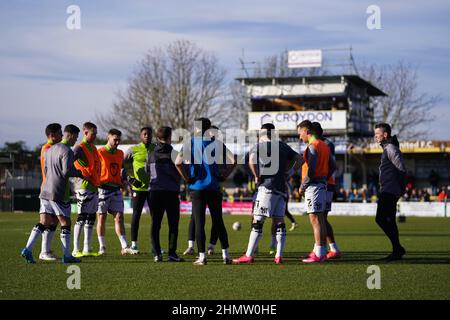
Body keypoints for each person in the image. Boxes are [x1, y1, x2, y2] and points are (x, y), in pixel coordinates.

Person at [233, 123, 302, 265]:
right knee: (279, 222)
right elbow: (300, 159)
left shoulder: (259, 146)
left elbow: (251, 160)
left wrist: (256, 175)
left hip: (267, 188)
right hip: (282, 190)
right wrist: (289, 173)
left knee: (258, 222)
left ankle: (248, 255)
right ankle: (278, 255)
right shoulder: (283, 146)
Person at [175, 118, 235, 265]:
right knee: (218, 221)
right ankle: (225, 256)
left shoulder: (190, 143)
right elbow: (234, 160)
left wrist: (187, 178)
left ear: (197, 129)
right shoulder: (217, 143)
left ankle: (202, 257)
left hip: (197, 188)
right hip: (214, 188)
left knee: (199, 222)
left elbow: (177, 162)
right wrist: (224, 176)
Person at [21, 124, 85, 263]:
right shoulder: (67, 150)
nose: (76, 141)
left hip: (44, 191)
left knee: (43, 222)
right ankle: (67, 255)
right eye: (76, 137)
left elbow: (45, 169)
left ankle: (28, 249)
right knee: (65, 222)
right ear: (72, 135)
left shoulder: (48, 150)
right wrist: (80, 173)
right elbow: (66, 171)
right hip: (57, 192)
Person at [297, 120, 335, 263]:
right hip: (321, 185)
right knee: (320, 219)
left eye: (300, 133)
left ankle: (319, 253)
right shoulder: (324, 145)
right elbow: (333, 166)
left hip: (314, 186)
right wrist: (324, 177)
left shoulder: (312, 147)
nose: (300, 137)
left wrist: (303, 185)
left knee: (315, 219)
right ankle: (320, 251)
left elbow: (311, 170)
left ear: (307, 132)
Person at [146, 127, 183, 262]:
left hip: (155, 192)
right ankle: (172, 253)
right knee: (173, 224)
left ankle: (157, 253)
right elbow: (181, 170)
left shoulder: (151, 154)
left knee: (155, 223)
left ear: (157, 138)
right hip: (171, 192)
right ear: (169, 137)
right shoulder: (174, 153)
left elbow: (147, 171)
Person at [96, 129, 134, 256]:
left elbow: (121, 170)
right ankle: (102, 246)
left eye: (119, 140)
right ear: (108, 137)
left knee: (119, 217)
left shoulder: (120, 153)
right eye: (115, 139)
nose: (117, 142)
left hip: (116, 189)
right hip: (102, 189)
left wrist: (124, 181)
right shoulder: (100, 152)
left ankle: (124, 246)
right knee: (101, 218)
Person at [374, 123, 407, 261]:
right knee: (389, 221)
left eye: (377, 134)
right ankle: (397, 250)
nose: (375, 137)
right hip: (388, 189)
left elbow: (401, 169)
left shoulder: (391, 149)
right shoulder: (387, 148)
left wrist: (400, 190)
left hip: (390, 190)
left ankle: (398, 248)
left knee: (381, 219)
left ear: (385, 134)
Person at [311, 122, 341, 259]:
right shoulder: (324, 144)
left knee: (320, 218)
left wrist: (323, 179)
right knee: (321, 218)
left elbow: (332, 166)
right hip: (327, 184)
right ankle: (325, 248)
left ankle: (324, 250)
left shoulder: (324, 145)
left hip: (326, 184)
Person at [124, 127, 156, 254]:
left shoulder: (156, 148)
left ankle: (155, 246)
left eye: (149, 134)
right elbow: (124, 166)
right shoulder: (133, 149)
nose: (147, 136)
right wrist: (131, 180)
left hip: (154, 188)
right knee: (136, 215)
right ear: (140, 136)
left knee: (155, 217)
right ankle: (134, 245)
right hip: (138, 188)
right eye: (145, 134)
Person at [72, 122, 102, 257]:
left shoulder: (94, 148)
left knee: (90, 218)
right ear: (85, 133)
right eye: (93, 133)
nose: (95, 136)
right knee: (81, 217)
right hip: (83, 188)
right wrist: (79, 175)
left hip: (94, 187)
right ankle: (75, 249)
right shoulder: (79, 148)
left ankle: (86, 249)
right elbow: (68, 163)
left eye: (96, 133)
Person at [38, 123, 63, 261]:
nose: (61, 136)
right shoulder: (47, 148)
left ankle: (46, 250)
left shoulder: (51, 148)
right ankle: (42, 251)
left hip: (52, 189)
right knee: (46, 221)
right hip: (49, 190)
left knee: (53, 220)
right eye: (60, 133)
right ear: (52, 135)